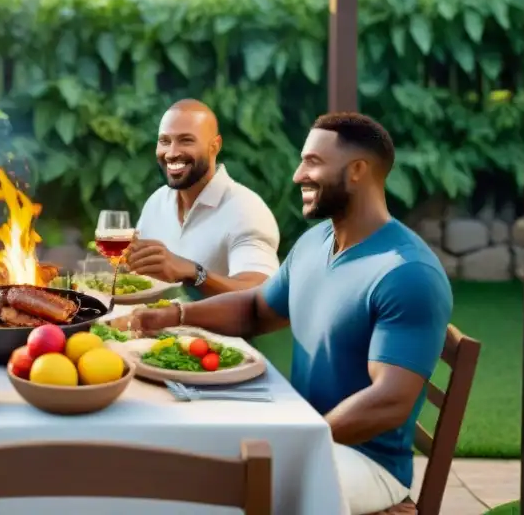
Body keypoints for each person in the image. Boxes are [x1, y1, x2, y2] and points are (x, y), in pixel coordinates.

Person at [128, 112, 453, 515]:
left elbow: (390, 401)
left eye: (313, 162)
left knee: (212, 493)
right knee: (170, 457)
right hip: (303, 428)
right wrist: (174, 315)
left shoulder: (406, 272)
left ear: (356, 171)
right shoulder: (318, 241)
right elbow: (256, 309)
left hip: (363, 461)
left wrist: (302, 438)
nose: (298, 175)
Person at [128, 98, 279, 296]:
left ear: (214, 146)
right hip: (153, 325)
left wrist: (192, 272)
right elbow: (140, 278)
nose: (171, 153)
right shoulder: (157, 201)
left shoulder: (246, 209)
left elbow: (262, 291)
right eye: (165, 141)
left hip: (214, 328)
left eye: (186, 140)